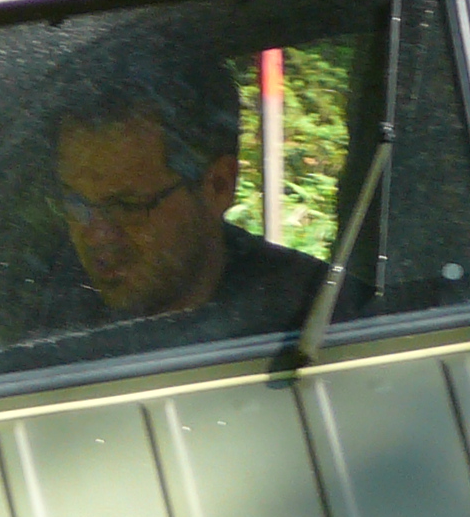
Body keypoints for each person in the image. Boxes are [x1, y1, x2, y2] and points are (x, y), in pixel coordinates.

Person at [53, 50, 323, 337]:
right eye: (76, 203)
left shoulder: (315, 321)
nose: (95, 235)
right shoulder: (50, 312)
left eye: (126, 206)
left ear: (219, 187)